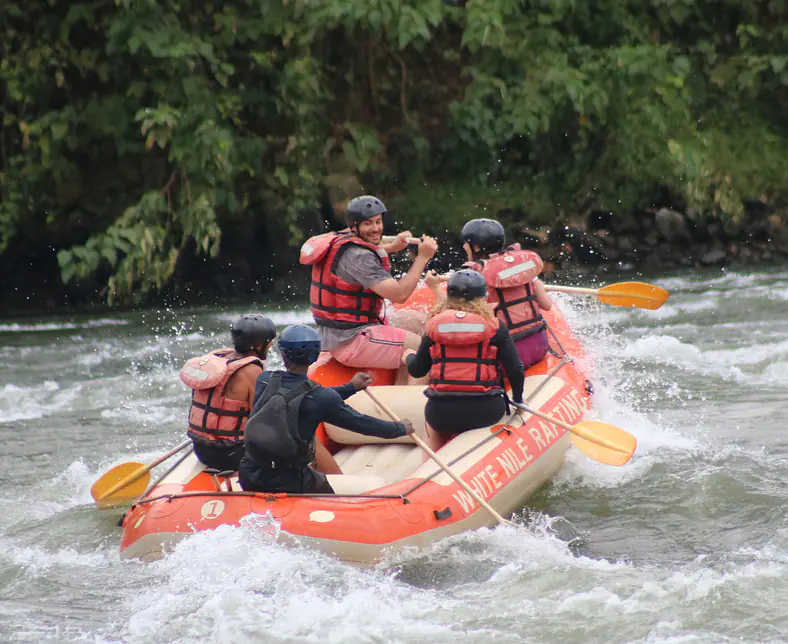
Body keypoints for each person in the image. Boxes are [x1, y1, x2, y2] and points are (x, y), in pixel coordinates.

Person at [240, 324, 415, 494]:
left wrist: (350, 388)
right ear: (316, 355)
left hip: (249, 473)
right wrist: (400, 429)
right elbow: (362, 424)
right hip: (289, 480)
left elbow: (304, 396)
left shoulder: (264, 379)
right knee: (329, 494)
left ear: (283, 354)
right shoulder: (321, 399)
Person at [299, 195, 438, 383]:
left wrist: (394, 247)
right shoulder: (358, 257)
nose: (375, 228)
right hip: (351, 340)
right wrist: (423, 258)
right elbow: (400, 295)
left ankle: (401, 381)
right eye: (368, 224)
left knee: (421, 323)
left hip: (343, 333)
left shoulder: (343, 239)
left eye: (378, 222)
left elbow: (369, 250)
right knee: (426, 350)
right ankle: (408, 401)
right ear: (354, 226)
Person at [405, 270, 525, 453]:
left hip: (441, 414)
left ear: (449, 298)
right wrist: (518, 400)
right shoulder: (495, 327)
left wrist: (408, 357)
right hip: (485, 411)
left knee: (432, 423)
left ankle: (428, 464)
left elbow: (417, 371)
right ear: (482, 298)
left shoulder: (434, 325)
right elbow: (515, 369)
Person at [180, 314, 276, 471]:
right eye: (269, 341)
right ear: (259, 345)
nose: (271, 345)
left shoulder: (217, 360)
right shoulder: (252, 371)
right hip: (231, 454)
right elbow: (261, 419)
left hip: (200, 448)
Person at [460, 218, 554, 370]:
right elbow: (547, 305)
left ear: (476, 247)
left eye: (466, 243)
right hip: (539, 346)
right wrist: (538, 285)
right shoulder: (523, 268)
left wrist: (435, 288)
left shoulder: (476, 276)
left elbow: (466, 322)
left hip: (506, 358)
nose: (464, 246)